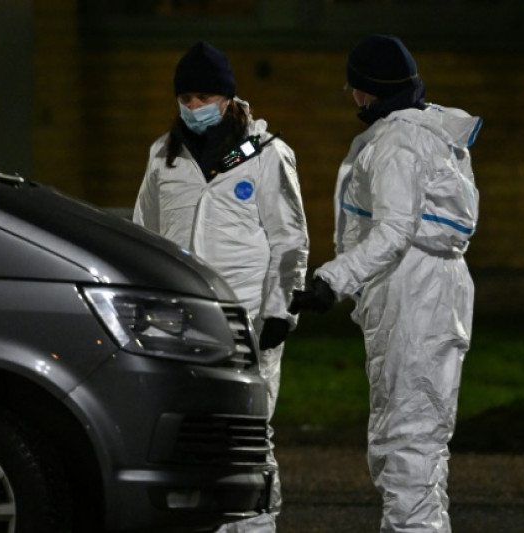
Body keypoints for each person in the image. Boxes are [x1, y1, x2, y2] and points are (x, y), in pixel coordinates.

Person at [290, 34, 482, 533]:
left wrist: (332, 281)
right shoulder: (432, 133)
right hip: (432, 292)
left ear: (364, 89)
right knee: (422, 440)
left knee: (405, 441)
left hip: (412, 294)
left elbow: (393, 232)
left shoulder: (398, 141)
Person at [133, 40, 309, 533]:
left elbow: (290, 239)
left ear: (228, 99)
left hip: (249, 318)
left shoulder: (265, 156)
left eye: (204, 98)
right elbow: (145, 233)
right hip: (181, 320)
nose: (194, 108)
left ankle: (254, 527)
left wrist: (280, 310)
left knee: (249, 436)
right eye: (186, 99)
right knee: (187, 436)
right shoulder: (163, 157)